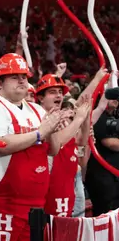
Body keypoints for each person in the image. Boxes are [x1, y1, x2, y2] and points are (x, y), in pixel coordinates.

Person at [0, 53, 62, 241]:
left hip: (35, 202)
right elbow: (0, 145)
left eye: (24, 76)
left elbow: (53, 150)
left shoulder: (37, 110)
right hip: (3, 202)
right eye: (14, 76)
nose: (22, 80)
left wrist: (51, 129)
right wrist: (40, 133)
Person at [35, 74, 91, 217]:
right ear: (41, 98)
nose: (58, 96)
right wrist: (78, 119)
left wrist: (85, 120)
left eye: (60, 92)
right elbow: (58, 141)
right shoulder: (37, 117)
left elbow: (80, 141)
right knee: (48, 233)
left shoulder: (64, 119)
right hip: (48, 185)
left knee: (64, 233)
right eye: (53, 92)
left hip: (67, 183)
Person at [86, 97, 119, 216]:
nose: (116, 99)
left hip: (113, 177)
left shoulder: (114, 116)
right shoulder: (99, 117)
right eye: (112, 96)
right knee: (105, 215)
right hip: (102, 177)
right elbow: (110, 143)